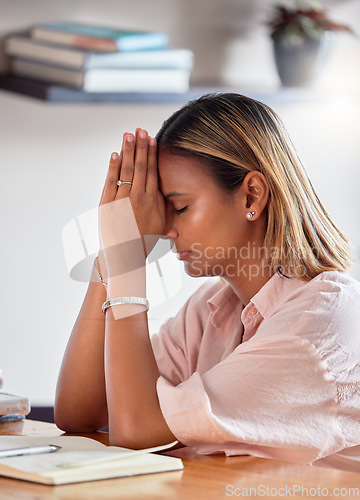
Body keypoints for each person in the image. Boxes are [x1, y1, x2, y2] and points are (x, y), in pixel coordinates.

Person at [55, 93, 360, 465]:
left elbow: (136, 432)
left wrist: (127, 260)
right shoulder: (214, 309)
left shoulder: (318, 321)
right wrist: (112, 252)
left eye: (180, 207)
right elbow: (80, 413)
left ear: (252, 195)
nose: (164, 229)